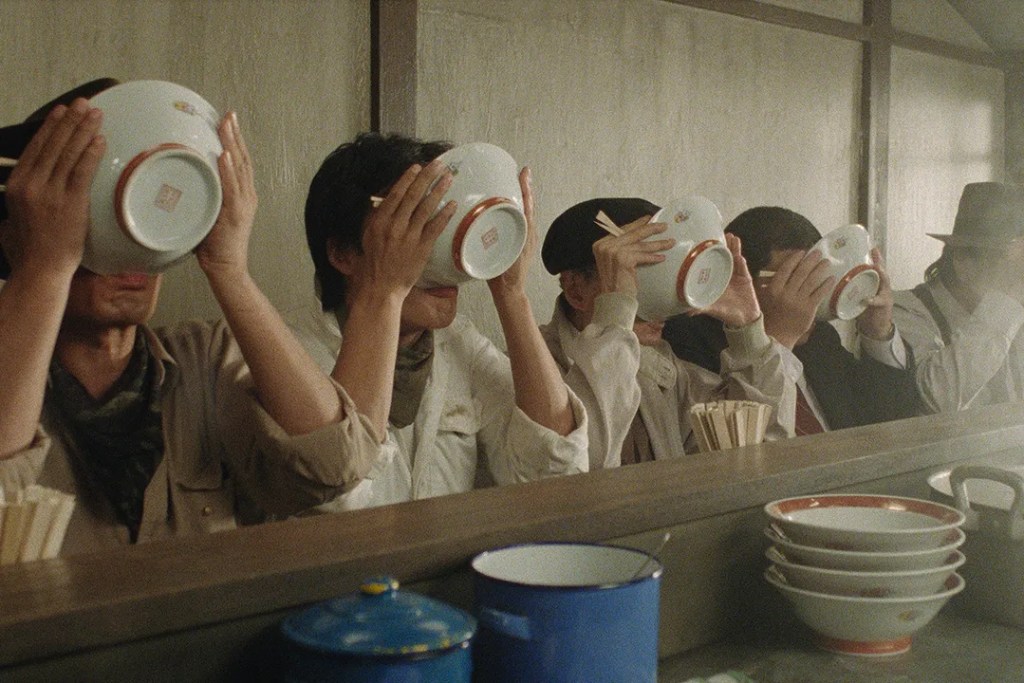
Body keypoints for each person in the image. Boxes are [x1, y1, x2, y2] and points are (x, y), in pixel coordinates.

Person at [0, 84, 378, 556]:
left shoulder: (204, 359)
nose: (134, 254)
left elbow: (336, 466)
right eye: (98, 221)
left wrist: (230, 271)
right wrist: (44, 267)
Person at [294, 132, 587, 509]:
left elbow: (558, 473)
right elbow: (340, 502)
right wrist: (385, 294)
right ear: (343, 254)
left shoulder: (458, 344)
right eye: (414, 225)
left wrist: (512, 294)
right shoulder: (290, 353)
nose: (438, 252)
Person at [539, 198, 797, 470]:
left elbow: (758, 456)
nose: (662, 306)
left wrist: (749, 335)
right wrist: (616, 315)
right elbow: (577, 470)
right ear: (576, 291)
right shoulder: (529, 374)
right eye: (638, 277)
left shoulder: (663, 371)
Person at [664, 206, 920, 433]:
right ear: (740, 280)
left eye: (818, 277)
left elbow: (893, 428)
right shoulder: (690, 342)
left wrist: (877, 332)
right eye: (796, 278)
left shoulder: (819, 340)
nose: (812, 294)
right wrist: (778, 340)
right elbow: (742, 450)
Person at [893, 181, 1024, 413]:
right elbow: (938, 398)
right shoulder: (902, 312)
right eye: (1009, 265)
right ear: (962, 260)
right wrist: (1006, 298)